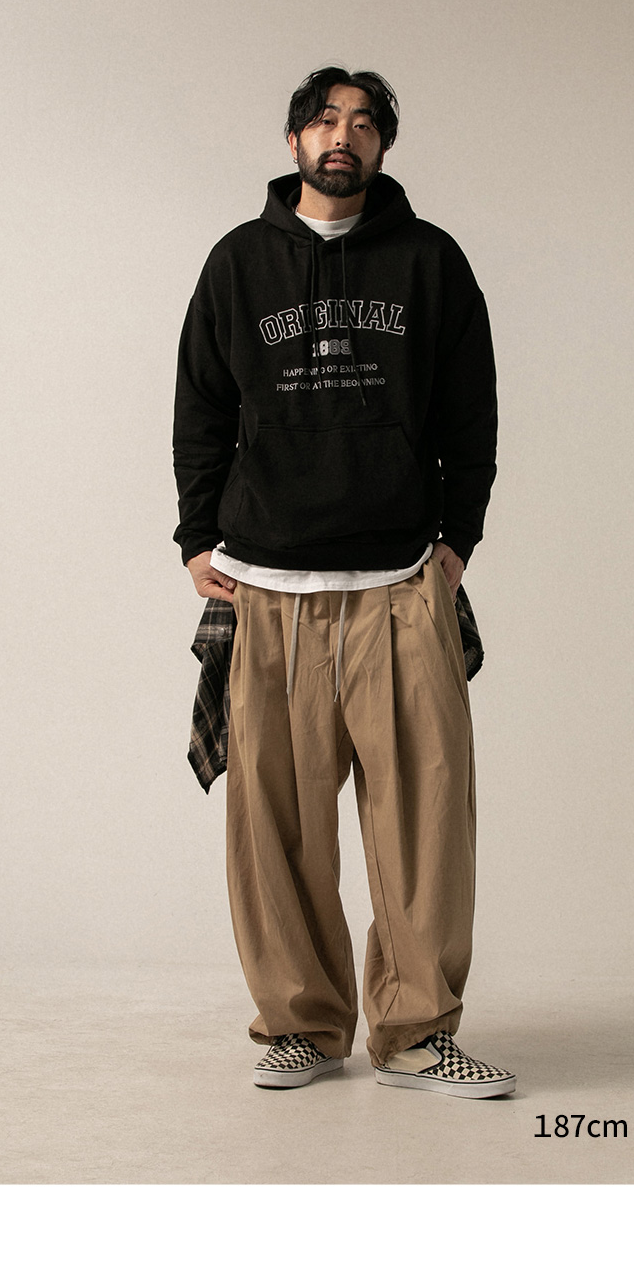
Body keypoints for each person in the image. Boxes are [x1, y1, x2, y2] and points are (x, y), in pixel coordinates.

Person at [173, 54, 512, 1093]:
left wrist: (459, 537)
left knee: (424, 822)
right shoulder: (238, 263)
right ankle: (301, 1024)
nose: (343, 135)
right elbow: (201, 407)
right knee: (274, 828)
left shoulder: (430, 261)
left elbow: (471, 410)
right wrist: (196, 537)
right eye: (325, 118)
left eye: (364, 122)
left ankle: (416, 1034)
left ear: (383, 146)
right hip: (267, 585)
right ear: (294, 140)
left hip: (399, 581)